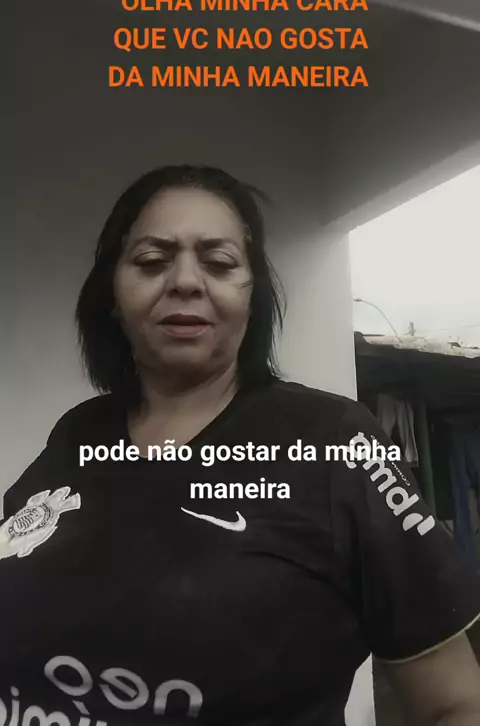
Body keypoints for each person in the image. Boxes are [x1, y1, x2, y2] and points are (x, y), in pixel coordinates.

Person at [1, 164, 480, 726]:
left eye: (219, 262)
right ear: (112, 294)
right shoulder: (78, 435)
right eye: (152, 261)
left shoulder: (333, 441)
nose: (185, 281)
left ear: (253, 297)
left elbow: (454, 702)